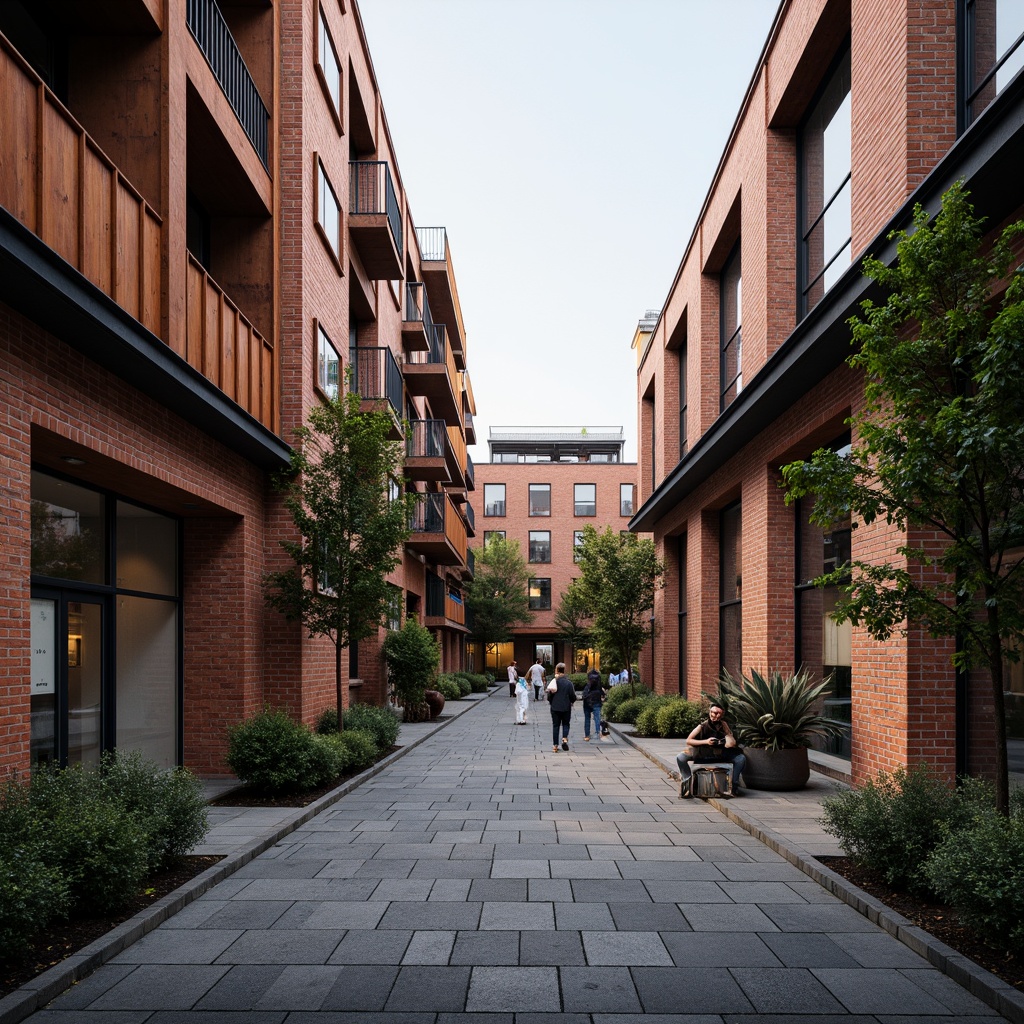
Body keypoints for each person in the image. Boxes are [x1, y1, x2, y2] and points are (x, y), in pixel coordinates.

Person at [676, 701, 746, 798]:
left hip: (721, 753)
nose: (716, 716)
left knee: (741, 758)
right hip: (703, 753)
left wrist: (727, 733)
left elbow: (732, 744)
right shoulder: (702, 726)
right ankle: (687, 784)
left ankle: (733, 787)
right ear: (710, 712)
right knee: (680, 757)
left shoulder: (724, 725)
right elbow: (689, 741)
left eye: (719, 714)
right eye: (714, 713)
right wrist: (706, 742)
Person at [546, 662, 576, 752]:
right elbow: (572, 696)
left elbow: (549, 696)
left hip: (555, 707)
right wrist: (571, 701)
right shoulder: (568, 683)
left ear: (557, 670)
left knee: (556, 726)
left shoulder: (554, 682)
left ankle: (555, 745)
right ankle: (564, 738)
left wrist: (552, 702)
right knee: (566, 724)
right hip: (566, 707)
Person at [581, 665, 606, 741]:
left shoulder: (588, 685)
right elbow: (602, 693)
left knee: (587, 718)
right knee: (597, 718)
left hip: (587, 702)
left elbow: (584, 693)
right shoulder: (598, 684)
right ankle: (598, 733)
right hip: (596, 701)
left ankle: (587, 735)